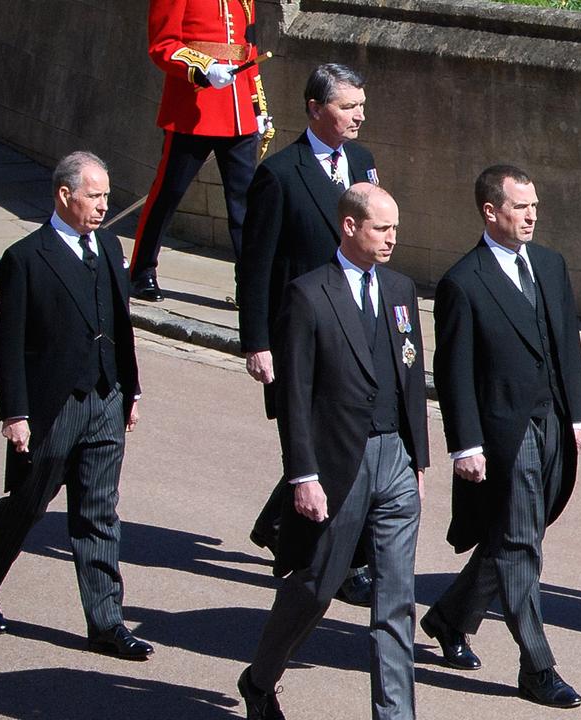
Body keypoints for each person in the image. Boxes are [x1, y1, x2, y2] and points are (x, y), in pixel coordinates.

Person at [237, 183, 427, 720]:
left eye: (395, 227)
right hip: (338, 463)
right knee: (317, 587)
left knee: (395, 601)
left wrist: (419, 461)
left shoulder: (400, 289)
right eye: (381, 228)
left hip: (395, 459)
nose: (393, 238)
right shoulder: (309, 295)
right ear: (349, 227)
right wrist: (303, 475)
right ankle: (260, 678)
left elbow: (410, 378)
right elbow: (294, 396)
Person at [0, 151, 153, 659]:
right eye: (94, 196)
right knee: (27, 505)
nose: (103, 206)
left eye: (107, 195)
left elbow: (120, 324)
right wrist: (15, 414)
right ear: (65, 195)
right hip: (52, 408)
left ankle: (107, 622)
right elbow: (9, 342)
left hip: (106, 399)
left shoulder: (109, 246)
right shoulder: (26, 257)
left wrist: (129, 389)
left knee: (98, 514)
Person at [422, 165, 581, 709]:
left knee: (515, 535)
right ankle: (537, 668)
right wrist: (465, 445)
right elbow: (454, 374)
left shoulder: (550, 265)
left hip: (553, 423)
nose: (532, 215)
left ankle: (450, 618)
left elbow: (567, 342)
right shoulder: (463, 283)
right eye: (520, 206)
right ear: (491, 211)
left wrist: (578, 416)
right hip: (503, 432)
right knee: (520, 546)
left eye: (534, 205)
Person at [237, 63, 379, 606]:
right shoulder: (281, 174)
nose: (358, 116)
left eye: (361, 106)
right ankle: (330, 560)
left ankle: (280, 524)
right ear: (316, 108)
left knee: (348, 440)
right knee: (326, 445)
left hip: (356, 329)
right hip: (303, 335)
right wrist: (256, 343)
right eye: (347, 107)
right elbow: (255, 267)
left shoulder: (363, 164)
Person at [131, 0, 273, 302]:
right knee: (167, 193)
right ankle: (142, 270)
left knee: (245, 205)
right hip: (193, 108)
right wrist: (203, 68)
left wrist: (256, 106)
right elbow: (163, 44)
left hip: (238, 116)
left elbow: (247, 49)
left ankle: (249, 285)